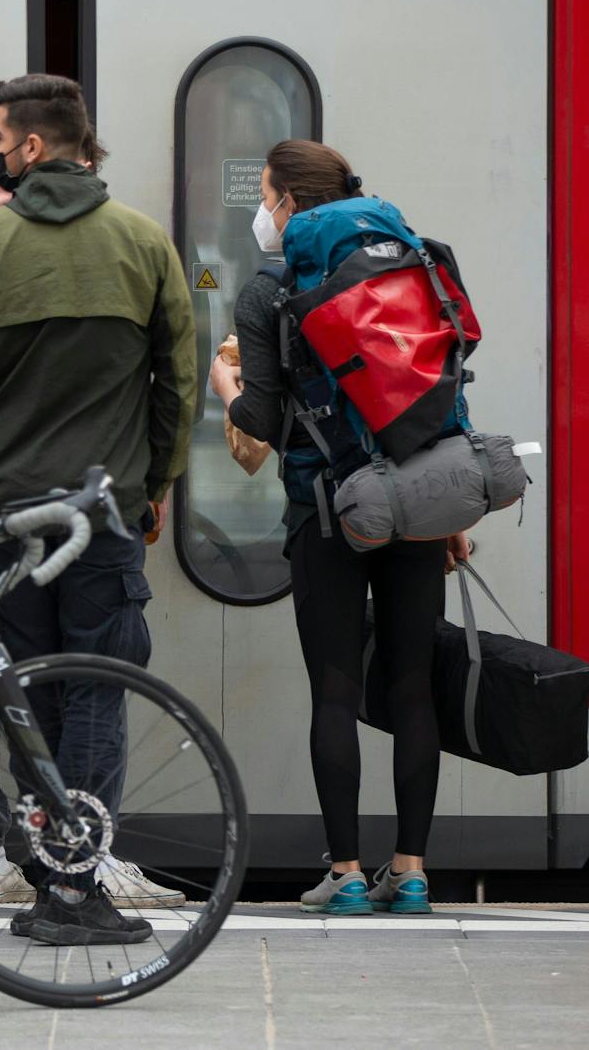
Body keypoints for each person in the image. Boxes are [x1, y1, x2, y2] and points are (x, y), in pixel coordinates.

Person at [0, 74, 197, 941]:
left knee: (29, 697)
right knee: (96, 692)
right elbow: (178, 387)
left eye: (1, 135)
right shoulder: (144, 243)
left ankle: (51, 872)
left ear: (33, 147)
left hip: (3, 518)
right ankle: (77, 886)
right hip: (104, 512)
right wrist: (153, 487)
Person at [209, 140, 459, 916]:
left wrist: (225, 384)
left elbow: (259, 415)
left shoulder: (268, 290)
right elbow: (446, 392)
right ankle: (411, 871)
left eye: (268, 196)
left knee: (335, 688)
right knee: (415, 686)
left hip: (325, 509)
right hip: (418, 503)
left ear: (287, 204)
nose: (263, 212)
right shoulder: (414, 263)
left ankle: (347, 872)